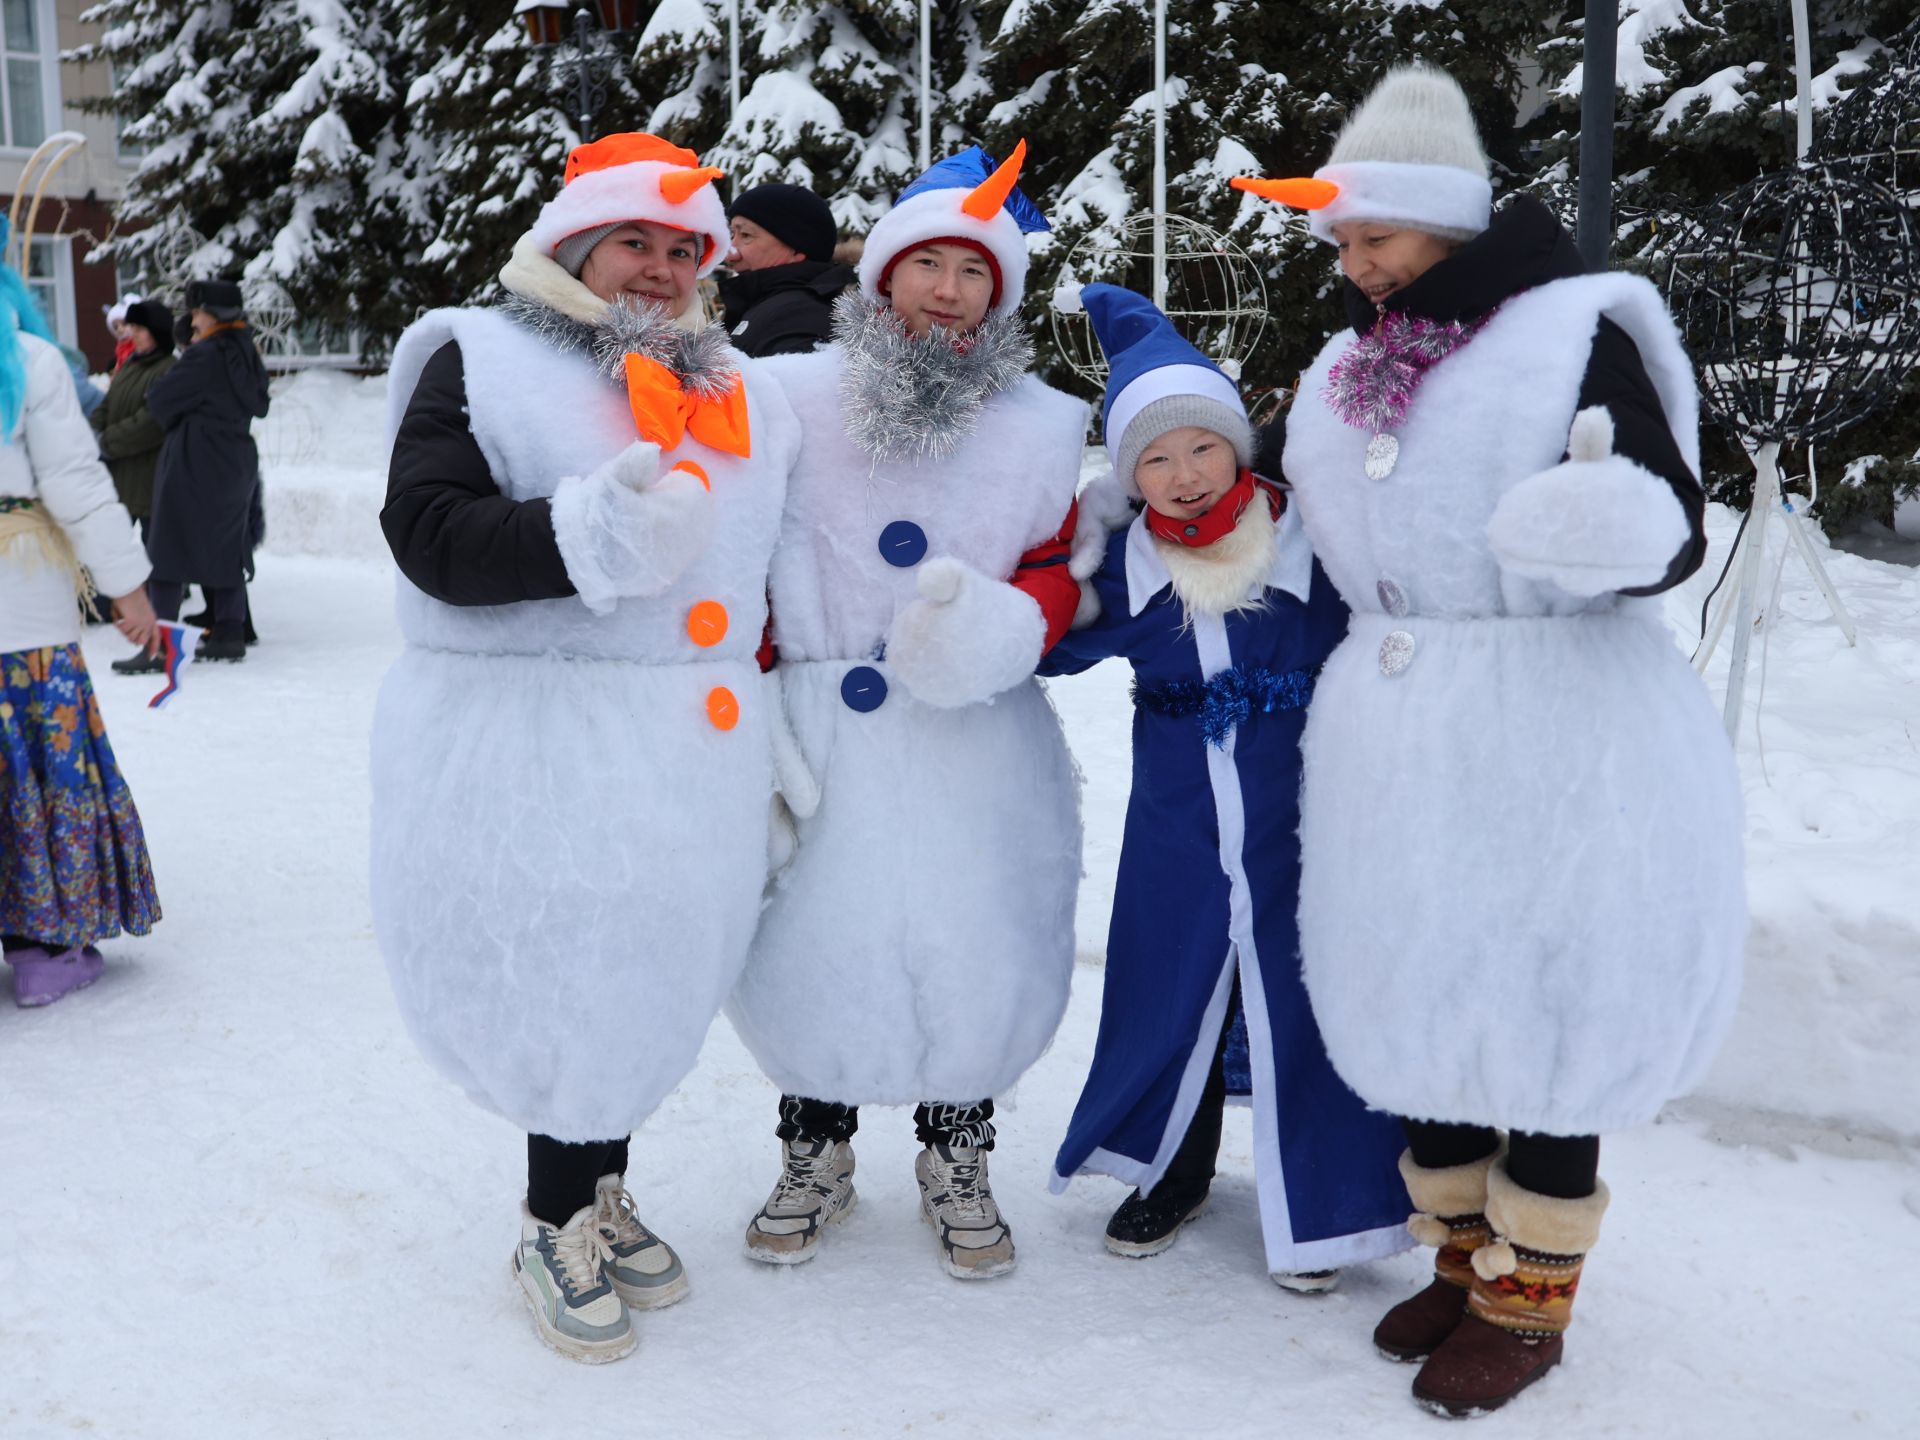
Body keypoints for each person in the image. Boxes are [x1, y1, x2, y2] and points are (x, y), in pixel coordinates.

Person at [1236, 65, 1743, 1417]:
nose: (1358, 267)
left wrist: (1609, 528)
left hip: (1552, 729)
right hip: (1400, 748)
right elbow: (1303, 522)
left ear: (1448, 223)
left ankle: (1535, 1299)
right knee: (1423, 1001)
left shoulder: (1572, 330)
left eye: (1376, 239)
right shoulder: (1350, 363)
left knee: (1547, 1007)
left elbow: (1667, 511)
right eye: (1341, 244)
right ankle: (1464, 1257)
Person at [375, 132, 800, 1364]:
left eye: (685, 248)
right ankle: (553, 1217)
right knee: (563, 972)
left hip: (689, 747)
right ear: (574, 242)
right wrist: (584, 538)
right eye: (636, 242)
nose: (662, 269)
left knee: (646, 973)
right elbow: (429, 532)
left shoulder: (736, 385)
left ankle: (603, 1187)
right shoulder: (481, 352)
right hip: (543, 741)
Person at [728, 142, 1088, 1280]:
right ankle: (815, 1146)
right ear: (880, 279)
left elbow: (1058, 563)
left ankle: (957, 1148)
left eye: (974, 271)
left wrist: (1004, 624)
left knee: (969, 935)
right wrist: (755, 680)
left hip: (970, 730)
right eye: (926, 264)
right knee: (809, 937)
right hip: (822, 721)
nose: (948, 289)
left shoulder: (1039, 423)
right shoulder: (788, 396)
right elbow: (741, 542)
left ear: (1002, 292)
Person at [1040, 284, 1412, 1292]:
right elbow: (1046, 645)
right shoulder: (1123, 563)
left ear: (1240, 445)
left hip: (1308, 818)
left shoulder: (1316, 539)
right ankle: (1175, 1169)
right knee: (1176, 986)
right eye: (1153, 459)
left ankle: (1329, 1207)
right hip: (1177, 823)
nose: (1185, 475)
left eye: (1201, 446)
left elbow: (1399, 614)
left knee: (1304, 995)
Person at [0, 259, 162, 1007]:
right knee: (36, 763)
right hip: (20, 606)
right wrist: (129, 589)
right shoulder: (27, 360)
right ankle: (46, 948)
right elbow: (75, 482)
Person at [115, 280, 269, 671]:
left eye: (197, 311)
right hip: (235, 457)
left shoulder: (206, 356)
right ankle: (230, 633)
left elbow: (162, 398)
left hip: (195, 457)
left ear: (211, 314)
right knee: (226, 544)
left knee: (168, 544)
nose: (192, 317)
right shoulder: (245, 349)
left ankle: (161, 645)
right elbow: (260, 403)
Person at [715, 182, 856, 357]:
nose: (731, 253)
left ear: (797, 248)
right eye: (732, 234)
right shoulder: (769, 305)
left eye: (745, 235)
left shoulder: (800, 318)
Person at [90, 299, 176, 542]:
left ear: (156, 333)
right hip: (120, 481)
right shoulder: (130, 365)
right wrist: (92, 431)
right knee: (112, 558)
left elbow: (149, 424)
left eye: (139, 329)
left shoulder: (169, 369)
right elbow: (108, 403)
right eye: (132, 327)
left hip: (151, 484)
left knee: (159, 565)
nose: (132, 334)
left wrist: (105, 442)